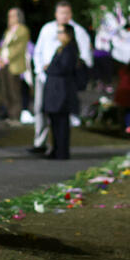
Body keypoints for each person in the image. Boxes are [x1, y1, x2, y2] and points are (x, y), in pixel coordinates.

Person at [31, 1, 92, 154]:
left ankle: (59, 148)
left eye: (66, 13)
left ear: (70, 14)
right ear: (56, 14)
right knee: (41, 110)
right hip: (46, 78)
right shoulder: (47, 29)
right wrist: (40, 70)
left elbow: (84, 58)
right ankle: (41, 142)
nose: (63, 16)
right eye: (60, 13)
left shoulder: (77, 32)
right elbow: (38, 51)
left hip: (62, 81)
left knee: (60, 116)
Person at [42, 24, 81, 159]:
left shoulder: (69, 50)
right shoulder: (61, 49)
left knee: (61, 123)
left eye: (60, 32)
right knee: (54, 122)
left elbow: (64, 68)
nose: (58, 35)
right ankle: (56, 149)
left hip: (62, 91)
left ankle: (62, 152)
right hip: (55, 90)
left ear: (68, 35)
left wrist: (48, 69)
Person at [0, 7, 30, 124]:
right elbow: (3, 46)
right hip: (3, 65)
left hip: (13, 65)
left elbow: (19, 48)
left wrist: (7, 59)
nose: (10, 18)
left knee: (15, 92)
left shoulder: (22, 30)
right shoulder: (8, 31)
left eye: (12, 16)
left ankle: (15, 117)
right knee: (6, 91)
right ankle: (9, 115)